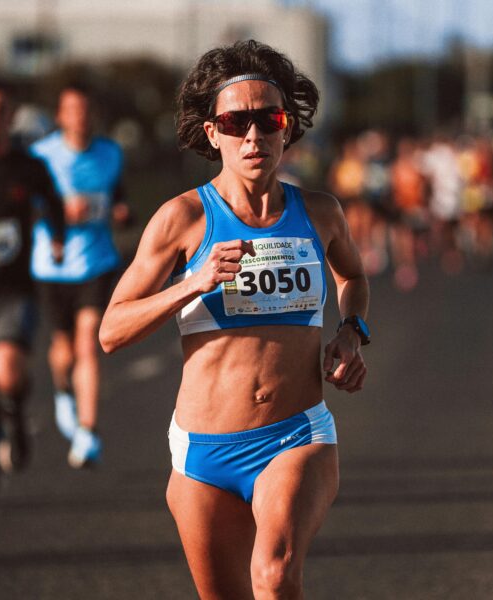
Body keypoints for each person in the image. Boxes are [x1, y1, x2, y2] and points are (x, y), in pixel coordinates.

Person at [100, 40, 370, 599]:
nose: (253, 136)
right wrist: (191, 284)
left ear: (287, 128)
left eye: (269, 120)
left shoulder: (320, 212)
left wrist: (351, 330)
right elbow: (111, 331)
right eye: (235, 122)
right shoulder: (183, 218)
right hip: (204, 452)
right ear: (212, 133)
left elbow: (353, 278)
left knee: (274, 576)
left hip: (296, 434)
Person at [30, 84, 130, 468]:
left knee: (88, 342)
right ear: (60, 115)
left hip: (96, 262)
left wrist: (121, 212)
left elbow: (119, 198)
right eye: (71, 109)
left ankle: (87, 430)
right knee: (63, 349)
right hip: (52, 266)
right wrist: (57, 213)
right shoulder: (41, 155)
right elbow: (25, 207)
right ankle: (62, 393)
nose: (79, 116)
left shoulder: (110, 153)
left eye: (85, 109)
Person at [0, 82, 64, 473]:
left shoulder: (27, 166)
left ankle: (15, 414)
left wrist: (57, 237)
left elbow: (52, 202)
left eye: (1, 110)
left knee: (7, 368)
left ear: (10, 116)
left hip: (14, 289)